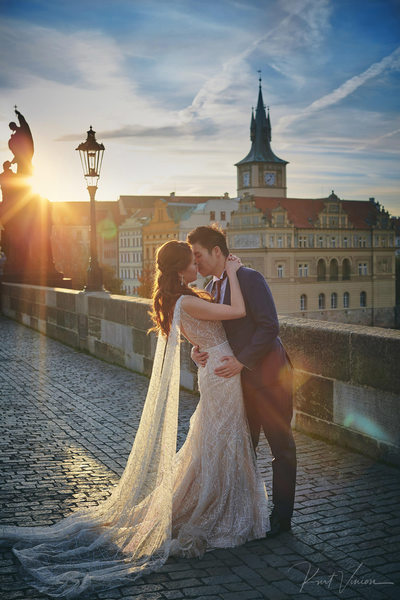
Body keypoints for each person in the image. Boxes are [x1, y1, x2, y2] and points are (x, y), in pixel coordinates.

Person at [0, 240, 268, 599]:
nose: (196, 268)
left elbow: (192, 332)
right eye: (191, 263)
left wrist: (194, 346)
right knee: (221, 440)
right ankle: (216, 509)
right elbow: (236, 311)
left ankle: (214, 499)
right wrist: (234, 272)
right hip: (222, 372)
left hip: (214, 369)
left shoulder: (178, 300)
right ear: (178, 270)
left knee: (214, 440)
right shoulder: (187, 300)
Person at [187, 225, 296, 538]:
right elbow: (217, 332)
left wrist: (241, 360)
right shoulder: (213, 285)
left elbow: (269, 326)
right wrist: (198, 351)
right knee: (244, 450)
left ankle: (281, 521)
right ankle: (246, 514)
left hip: (271, 378)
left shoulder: (249, 277)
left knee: (282, 449)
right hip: (240, 385)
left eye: (199, 256)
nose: (196, 265)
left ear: (217, 251)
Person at [8, 109, 34, 176]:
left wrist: (19, 115)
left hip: (26, 154)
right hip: (21, 158)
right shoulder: (14, 137)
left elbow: (23, 122)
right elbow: (15, 150)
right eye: (11, 128)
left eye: (12, 127)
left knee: (24, 171)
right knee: (21, 172)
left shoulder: (22, 129)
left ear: (14, 125)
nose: (12, 129)